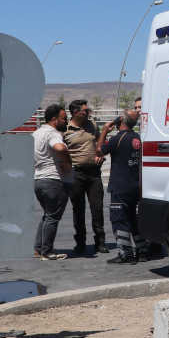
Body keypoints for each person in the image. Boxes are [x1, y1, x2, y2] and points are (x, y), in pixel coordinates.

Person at [100, 109, 147, 263]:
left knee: (119, 219)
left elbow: (99, 150)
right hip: (135, 186)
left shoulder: (117, 139)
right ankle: (142, 250)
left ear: (121, 120)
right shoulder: (137, 138)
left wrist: (104, 131)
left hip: (120, 186)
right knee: (133, 218)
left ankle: (125, 253)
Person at [63, 99, 106, 256]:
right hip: (76, 174)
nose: (88, 113)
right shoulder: (66, 129)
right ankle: (80, 243)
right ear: (75, 112)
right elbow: (60, 152)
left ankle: (100, 242)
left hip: (94, 173)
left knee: (97, 208)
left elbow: (100, 142)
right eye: (85, 110)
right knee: (78, 210)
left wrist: (100, 154)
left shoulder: (92, 125)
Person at [32, 104, 72, 260]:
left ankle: (38, 248)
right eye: (64, 118)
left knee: (48, 215)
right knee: (53, 217)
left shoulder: (36, 133)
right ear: (54, 119)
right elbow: (60, 148)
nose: (66, 121)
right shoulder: (53, 133)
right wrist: (67, 160)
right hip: (53, 180)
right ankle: (47, 252)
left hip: (39, 179)